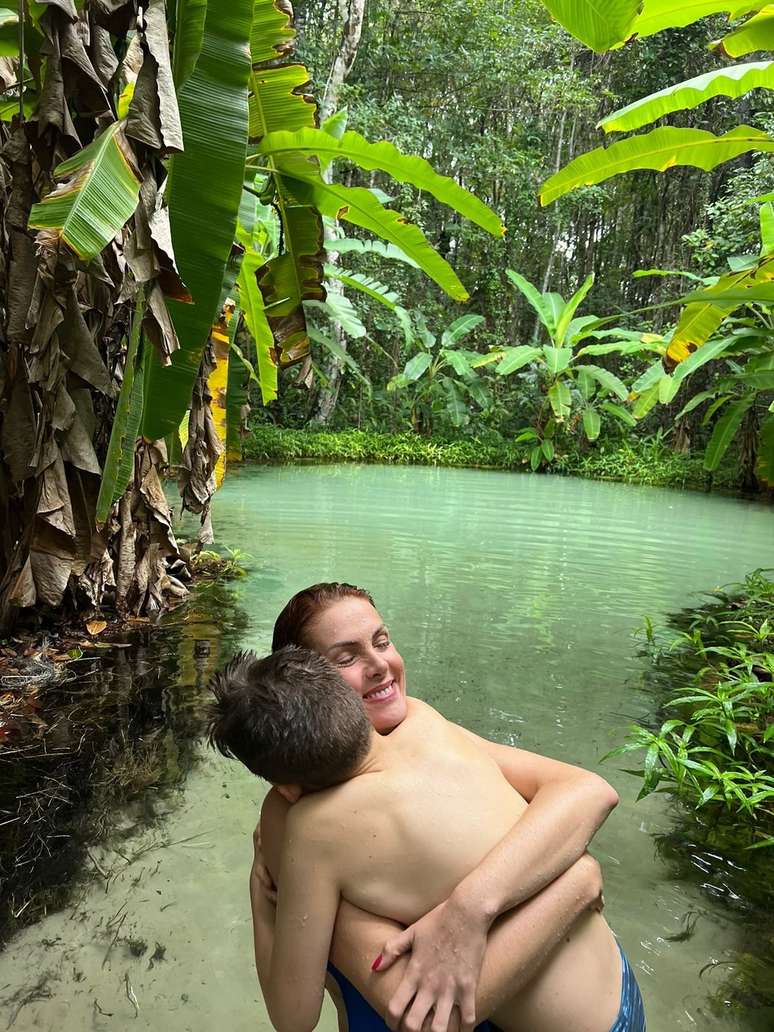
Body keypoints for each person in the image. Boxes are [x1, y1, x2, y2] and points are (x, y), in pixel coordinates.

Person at [209, 646, 646, 1032]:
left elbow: (294, 1017)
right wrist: (583, 876)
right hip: (622, 984)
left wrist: (259, 891)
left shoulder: (314, 830)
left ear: (285, 787)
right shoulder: (425, 721)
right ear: (352, 703)